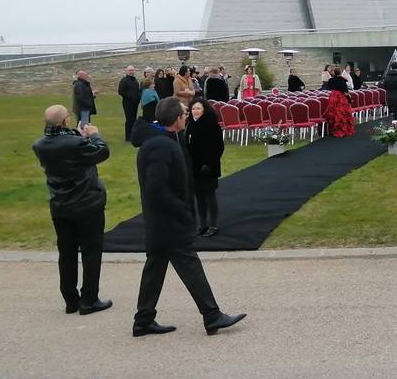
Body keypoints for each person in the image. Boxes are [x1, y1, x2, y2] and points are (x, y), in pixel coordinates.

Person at [131, 97, 246, 337]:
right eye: (184, 113)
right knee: (189, 265)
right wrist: (182, 211)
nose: (187, 116)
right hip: (168, 221)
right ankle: (212, 315)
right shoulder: (160, 146)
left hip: (161, 221)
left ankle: (143, 320)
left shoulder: (163, 141)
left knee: (155, 268)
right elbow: (156, 188)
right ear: (177, 119)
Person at [31, 105, 112, 316]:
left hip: (60, 205)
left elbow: (68, 152)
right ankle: (89, 299)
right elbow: (101, 152)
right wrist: (94, 136)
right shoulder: (76, 143)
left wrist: (80, 136)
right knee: (91, 251)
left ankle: (70, 299)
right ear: (66, 121)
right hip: (86, 202)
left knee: (66, 253)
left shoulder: (40, 145)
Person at [186, 98, 224, 237]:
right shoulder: (190, 125)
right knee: (199, 196)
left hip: (208, 167)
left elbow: (218, 147)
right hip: (194, 168)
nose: (195, 111)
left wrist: (208, 164)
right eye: (193, 109)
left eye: (198, 109)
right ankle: (202, 224)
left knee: (209, 195)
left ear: (204, 110)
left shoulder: (212, 125)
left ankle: (213, 225)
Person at [324, 68, 355, 137]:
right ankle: (343, 130)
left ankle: (333, 130)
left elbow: (329, 88)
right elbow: (345, 92)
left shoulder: (331, 80)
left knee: (334, 113)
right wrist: (349, 99)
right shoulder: (342, 80)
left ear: (334, 73)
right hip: (340, 97)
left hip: (333, 96)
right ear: (340, 73)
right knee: (342, 113)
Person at [117, 65, 141, 141]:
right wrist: (129, 97)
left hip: (135, 103)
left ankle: (133, 134)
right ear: (126, 71)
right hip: (128, 103)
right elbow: (120, 91)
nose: (131, 72)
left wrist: (138, 97)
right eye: (130, 70)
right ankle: (128, 136)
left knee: (134, 119)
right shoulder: (124, 80)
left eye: (132, 70)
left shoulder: (135, 80)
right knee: (129, 119)